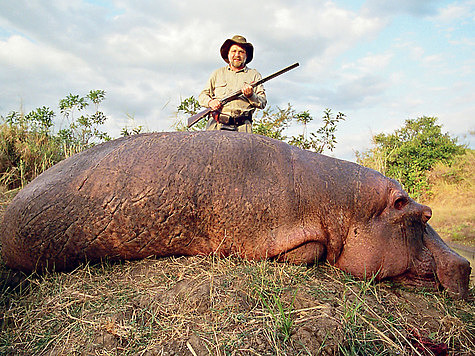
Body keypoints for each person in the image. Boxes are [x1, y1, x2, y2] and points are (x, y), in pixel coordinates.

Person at [198, 35, 267, 132]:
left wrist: (251, 95)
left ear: (246, 55)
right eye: (233, 51)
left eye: (241, 52)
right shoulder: (217, 73)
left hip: (242, 128)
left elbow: (262, 102)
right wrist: (211, 102)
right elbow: (202, 96)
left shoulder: (254, 75)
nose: (237, 55)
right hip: (216, 126)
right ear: (228, 54)